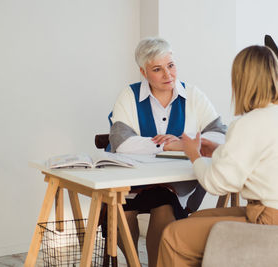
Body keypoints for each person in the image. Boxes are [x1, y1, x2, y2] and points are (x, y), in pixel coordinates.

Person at [156, 45, 278, 267]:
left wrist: (193, 154)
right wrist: (217, 150)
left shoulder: (250, 123)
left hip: (272, 227)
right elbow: (262, 158)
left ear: (241, 81)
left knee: (173, 236)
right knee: (194, 221)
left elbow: (216, 184)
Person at [106, 37, 226, 267]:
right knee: (122, 210)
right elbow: (121, 141)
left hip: (175, 183)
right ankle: (133, 264)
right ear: (143, 71)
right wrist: (165, 145)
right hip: (133, 180)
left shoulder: (193, 95)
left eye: (170, 65)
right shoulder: (129, 96)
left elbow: (219, 134)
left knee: (164, 204)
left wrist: (184, 142)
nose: (168, 75)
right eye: (157, 69)